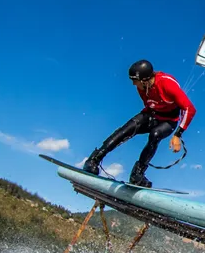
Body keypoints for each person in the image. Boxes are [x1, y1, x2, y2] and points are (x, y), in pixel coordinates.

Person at [82, 59, 195, 188]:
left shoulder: (167, 84)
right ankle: (94, 160)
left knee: (155, 134)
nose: (133, 84)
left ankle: (138, 174)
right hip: (152, 114)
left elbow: (189, 108)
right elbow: (149, 106)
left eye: (135, 81)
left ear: (145, 79)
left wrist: (178, 135)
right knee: (127, 129)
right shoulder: (141, 88)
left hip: (169, 121)